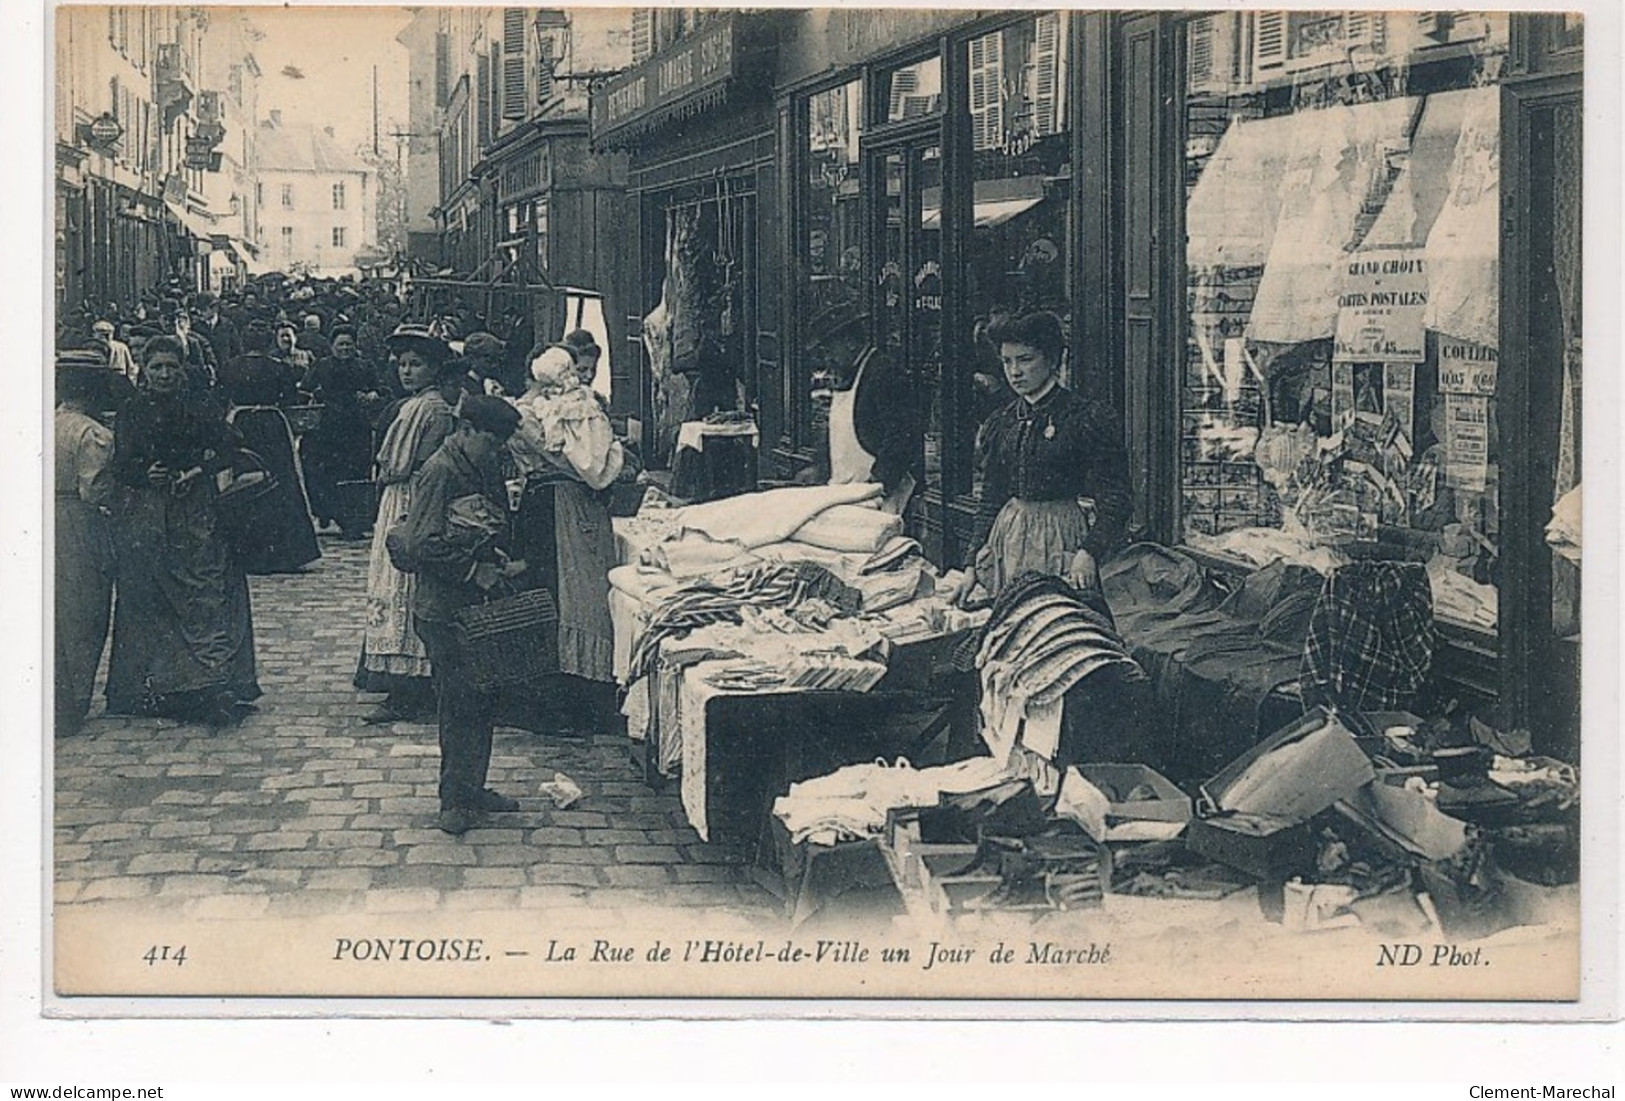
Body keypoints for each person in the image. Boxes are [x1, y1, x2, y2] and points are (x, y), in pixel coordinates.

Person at [104, 336, 261, 726]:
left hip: (195, 512)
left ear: (182, 370)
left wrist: (197, 470)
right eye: (156, 367)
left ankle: (211, 681)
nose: (163, 374)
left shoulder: (201, 407)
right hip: (147, 513)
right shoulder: (132, 411)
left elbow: (231, 447)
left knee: (203, 591)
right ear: (143, 370)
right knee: (151, 594)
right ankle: (157, 685)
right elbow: (120, 464)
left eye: (171, 367)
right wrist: (145, 474)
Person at [393, 395, 527, 835]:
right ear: (465, 430)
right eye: (491, 441)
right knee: (458, 701)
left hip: (472, 607)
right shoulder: (440, 470)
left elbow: (481, 521)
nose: (497, 450)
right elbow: (419, 544)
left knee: (481, 696)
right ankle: (454, 798)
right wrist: (474, 571)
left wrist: (495, 553)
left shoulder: (480, 464)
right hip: (442, 608)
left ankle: (474, 788)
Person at [953, 311, 1132, 608]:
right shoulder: (1004, 422)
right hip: (1009, 541)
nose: (1014, 372)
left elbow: (1117, 498)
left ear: (1052, 360)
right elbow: (991, 498)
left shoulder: (1084, 418)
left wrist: (1089, 552)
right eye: (1007, 361)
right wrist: (971, 564)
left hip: (1063, 540)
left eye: (1025, 360)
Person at [507, 347, 625, 731]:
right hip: (554, 508)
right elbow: (581, 464)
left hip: (562, 504)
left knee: (576, 595)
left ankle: (575, 695)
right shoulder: (531, 414)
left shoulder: (555, 411)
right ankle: (560, 700)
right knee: (563, 594)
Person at [354, 324, 460, 722]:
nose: (407, 372)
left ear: (434, 369)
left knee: (401, 584)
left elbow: (404, 464)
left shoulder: (426, 408)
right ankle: (407, 682)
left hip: (410, 497)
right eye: (402, 365)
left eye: (416, 364)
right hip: (408, 495)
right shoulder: (423, 405)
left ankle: (407, 686)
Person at [217, 333, 321, 575]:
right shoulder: (279, 367)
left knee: (245, 484)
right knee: (282, 484)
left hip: (241, 424)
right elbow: (290, 399)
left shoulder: (230, 367)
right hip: (272, 425)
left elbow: (221, 397)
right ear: (267, 345)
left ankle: (247, 551)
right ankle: (285, 553)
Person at [54, 350, 117, 736]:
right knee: (84, 610)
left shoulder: (42, 422)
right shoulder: (92, 434)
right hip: (78, 520)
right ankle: (74, 697)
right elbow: (94, 490)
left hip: (41, 516)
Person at [300, 326, 384, 538]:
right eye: (341, 344)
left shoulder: (365, 366)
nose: (345, 348)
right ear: (332, 346)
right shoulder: (321, 366)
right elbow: (306, 388)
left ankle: (353, 521)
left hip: (356, 428)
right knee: (327, 473)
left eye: (349, 344)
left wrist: (373, 394)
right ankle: (329, 513)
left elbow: (381, 389)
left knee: (355, 473)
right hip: (327, 429)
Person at [192, 291, 242, 365]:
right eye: (198, 310)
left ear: (215, 308)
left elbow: (237, 349)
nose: (200, 313)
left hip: (226, 369)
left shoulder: (227, 325)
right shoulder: (196, 327)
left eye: (204, 310)